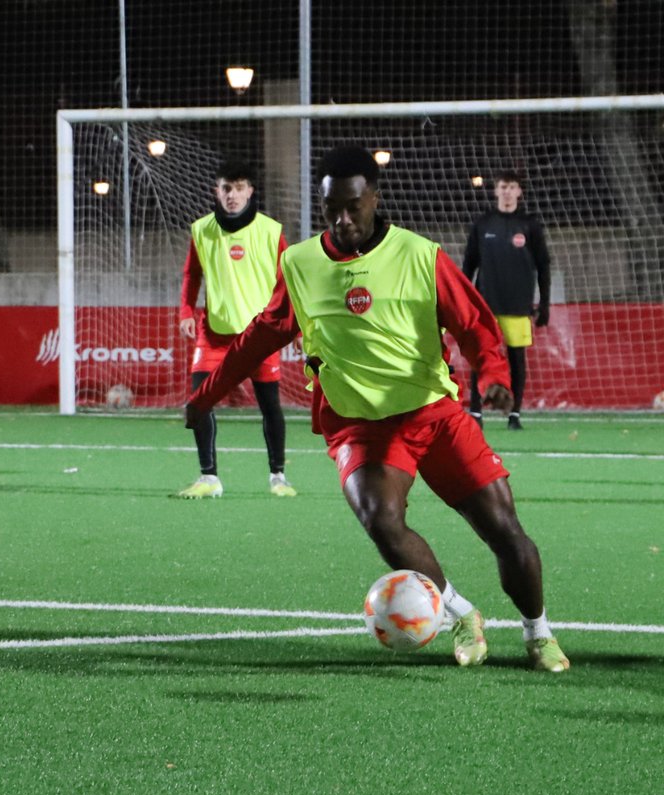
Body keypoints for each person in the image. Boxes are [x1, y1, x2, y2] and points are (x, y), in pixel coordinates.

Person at [184, 146, 569, 671]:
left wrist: (496, 376)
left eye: (354, 206)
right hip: (358, 425)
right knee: (381, 520)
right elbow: (256, 340)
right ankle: (460, 613)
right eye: (332, 210)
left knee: (504, 530)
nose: (343, 220)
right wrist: (204, 396)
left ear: (375, 199)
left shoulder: (418, 255)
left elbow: (475, 324)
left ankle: (538, 632)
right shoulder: (299, 265)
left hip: (432, 412)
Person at [176, 159, 295, 499]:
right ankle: (209, 477)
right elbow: (192, 274)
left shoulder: (271, 231)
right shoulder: (201, 230)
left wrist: (291, 324)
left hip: (260, 335)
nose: (232, 195)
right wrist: (186, 310)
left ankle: (278, 477)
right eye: (226, 188)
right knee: (199, 401)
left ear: (250, 191)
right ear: (217, 190)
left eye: (239, 188)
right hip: (214, 333)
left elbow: (287, 281)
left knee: (270, 405)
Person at [462, 170, 551, 430]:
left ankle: (514, 414)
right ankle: (476, 412)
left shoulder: (529, 225)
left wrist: (543, 303)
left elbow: (543, 265)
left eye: (512, 187)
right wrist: (462, 301)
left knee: (516, 360)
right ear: (496, 191)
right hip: (485, 305)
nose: (507, 192)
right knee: (481, 357)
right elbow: (468, 265)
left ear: (519, 192)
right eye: (503, 187)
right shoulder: (483, 224)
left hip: (518, 305)